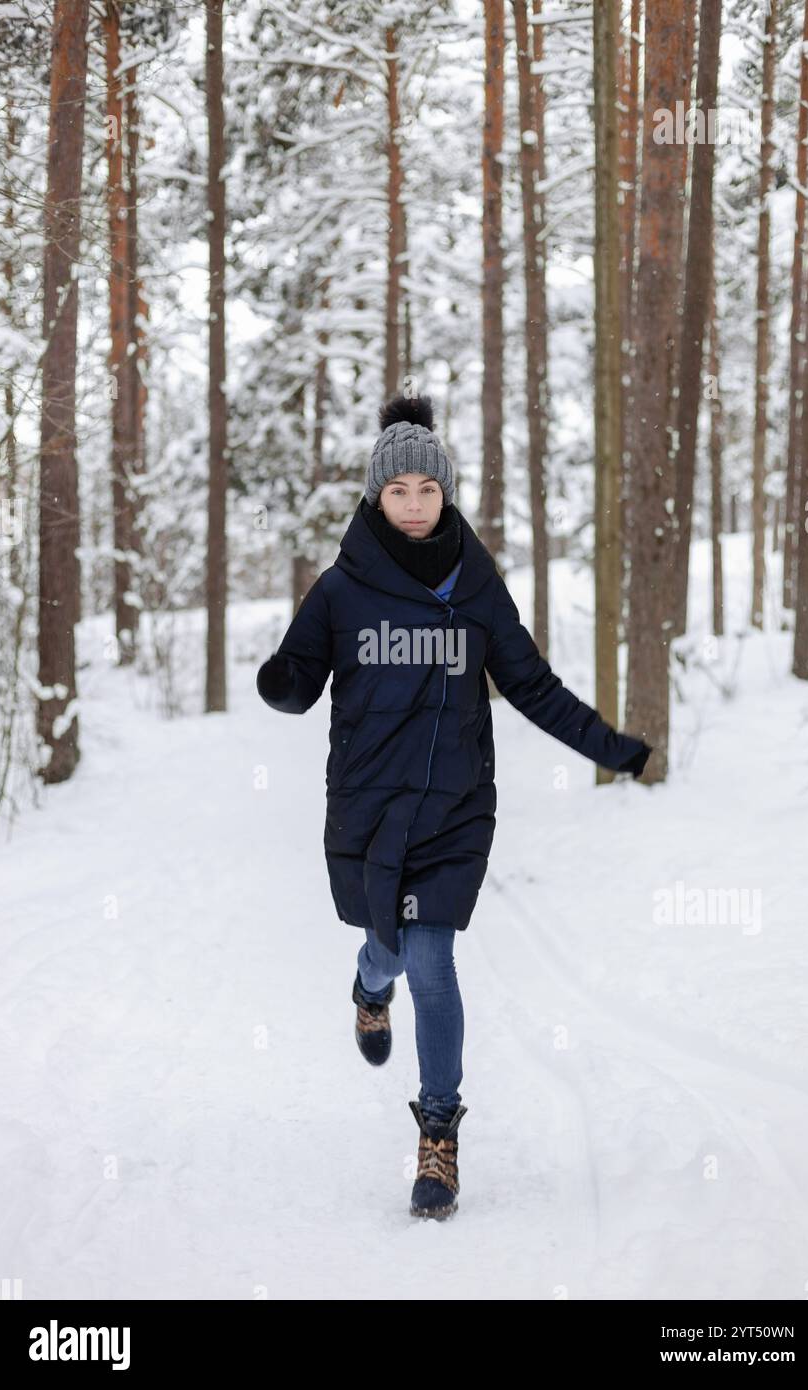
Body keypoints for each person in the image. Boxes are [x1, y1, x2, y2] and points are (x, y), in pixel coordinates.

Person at [256, 392, 652, 1221]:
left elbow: (530, 684)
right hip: (371, 802)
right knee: (386, 948)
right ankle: (369, 990)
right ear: (377, 495)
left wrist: (608, 747)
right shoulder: (342, 590)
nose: (411, 504)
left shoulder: (476, 584)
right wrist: (282, 683)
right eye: (396, 490)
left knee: (432, 960)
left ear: (446, 494)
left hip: (456, 807)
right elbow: (299, 677)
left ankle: (439, 1137)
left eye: (425, 490)